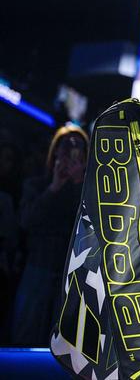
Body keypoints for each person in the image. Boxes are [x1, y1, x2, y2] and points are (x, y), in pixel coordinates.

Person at [11, 125, 88, 346]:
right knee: (26, 332)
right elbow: (26, 221)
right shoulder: (36, 185)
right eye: (65, 148)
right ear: (55, 152)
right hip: (38, 266)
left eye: (77, 149)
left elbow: (89, 226)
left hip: (71, 272)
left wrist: (79, 183)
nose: (70, 154)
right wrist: (54, 187)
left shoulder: (88, 191)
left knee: (63, 339)